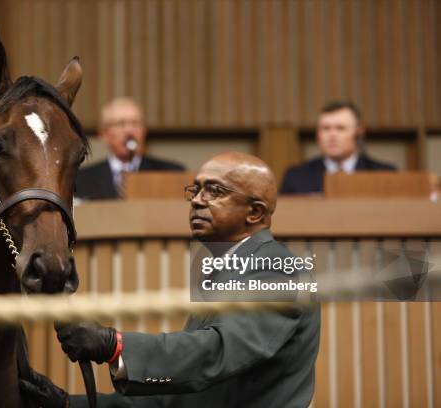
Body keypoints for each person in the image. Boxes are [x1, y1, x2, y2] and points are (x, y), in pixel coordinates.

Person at [20, 152, 321, 407]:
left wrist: (114, 345)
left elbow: (215, 352)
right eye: (196, 190)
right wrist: (64, 403)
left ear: (254, 213)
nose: (197, 201)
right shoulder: (224, 272)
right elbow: (171, 400)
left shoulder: (280, 268)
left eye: (214, 191)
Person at [75, 97, 184, 200]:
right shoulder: (81, 179)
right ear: (104, 134)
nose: (129, 130)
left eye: (135, 123)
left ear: (144, 131)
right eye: (121, 124)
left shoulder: (171, 172)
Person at [280, 100, 396, 194]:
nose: (332, 135)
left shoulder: (384, 174)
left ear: (359, 132)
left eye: (340, 128)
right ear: (318, 135)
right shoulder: (296, 176)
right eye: (326, 128)